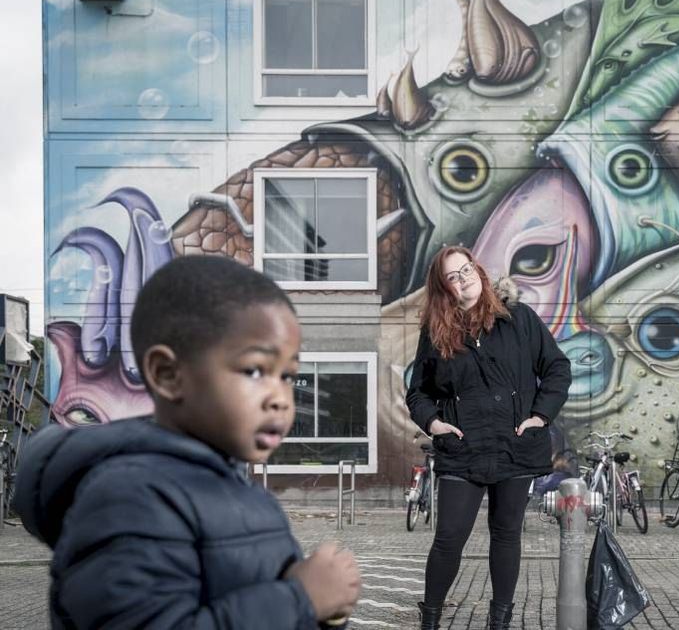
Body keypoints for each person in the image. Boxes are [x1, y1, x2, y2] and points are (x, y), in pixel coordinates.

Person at [13, 255, 361, 629]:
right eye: (256, 370)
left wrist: (324, 612)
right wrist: (301, 599)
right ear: (168, 375)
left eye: (288, 375)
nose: (280, 397)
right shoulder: (131, 497)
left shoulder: (245, 492)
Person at [405, 247, 572, 630]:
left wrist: (540, 416)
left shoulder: (519, 320)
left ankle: (500, 622)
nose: (464, 279)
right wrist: (434, 424)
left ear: (479, 272)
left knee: (506, 534)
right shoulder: (436, 333)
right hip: (463, 449)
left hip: (516, 446)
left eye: (467, 270)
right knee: (449, 537)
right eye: (453, 275)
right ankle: (430, 618)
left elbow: (557, 368)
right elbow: (418, 392)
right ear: (443, 287)